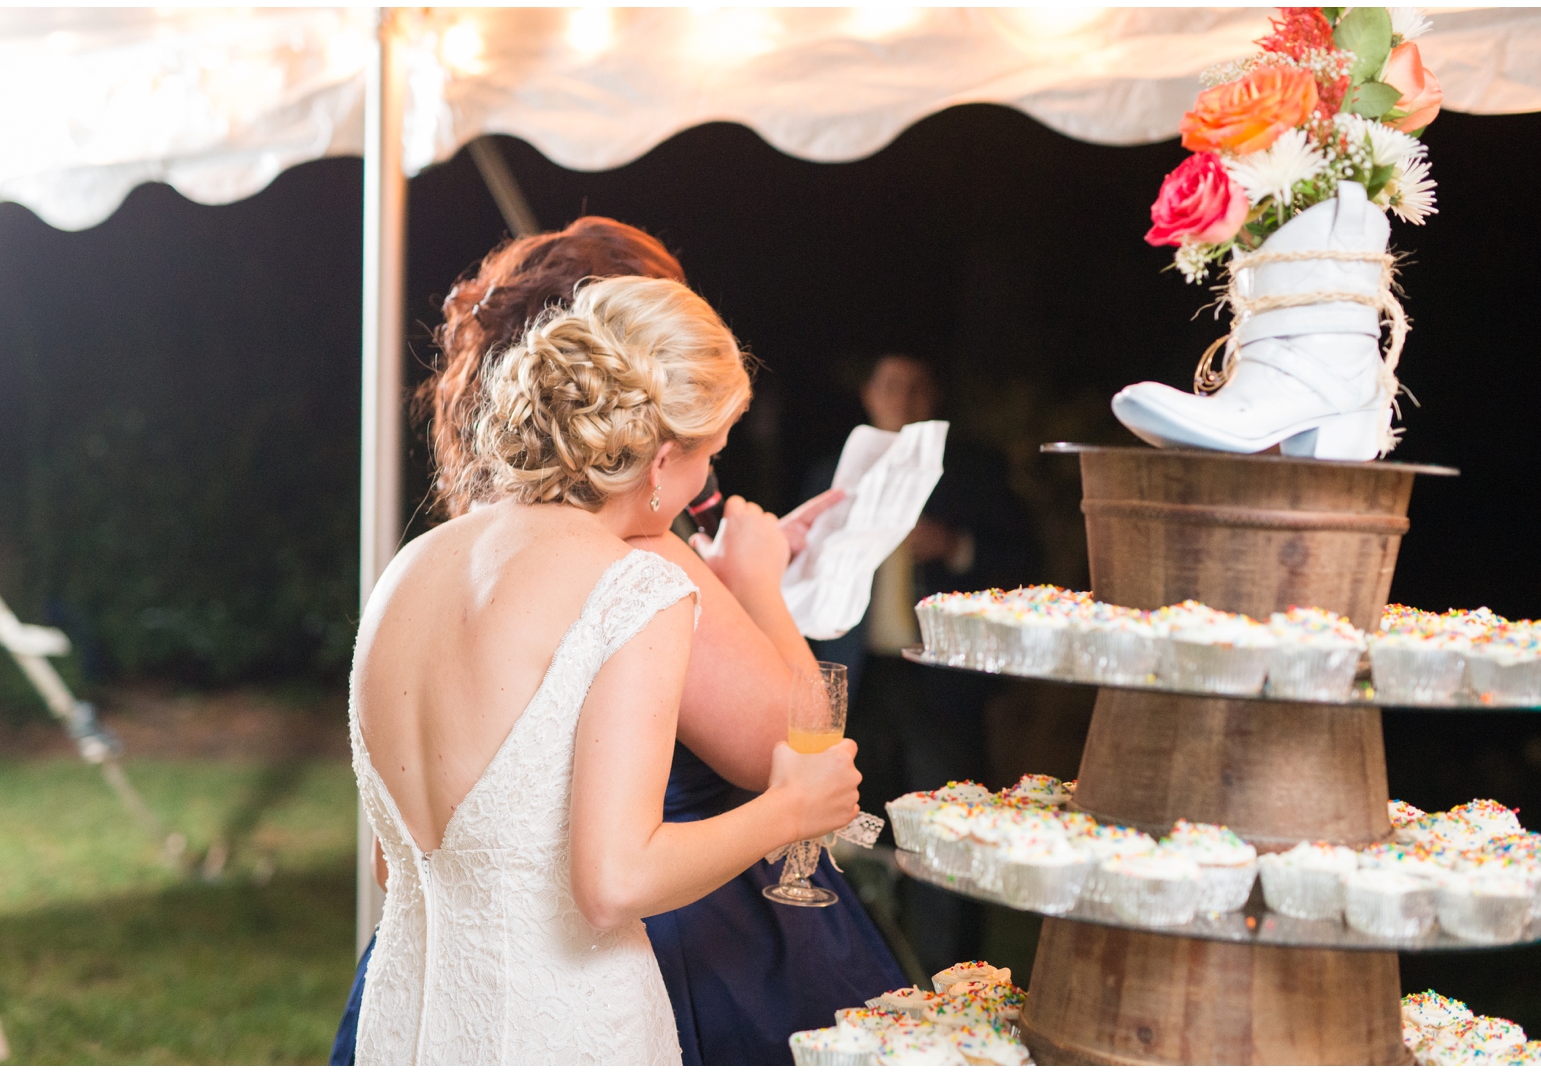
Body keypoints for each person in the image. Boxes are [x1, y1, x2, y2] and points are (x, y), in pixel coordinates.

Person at [332, 219, 906, 1065]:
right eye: (709, 455)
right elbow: (613, 882)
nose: (705, 485)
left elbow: (396, 864)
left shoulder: (410, 569)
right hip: (570, 1029)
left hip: (408, 1026)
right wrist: (789, 810)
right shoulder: (634, 585)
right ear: (661, 460)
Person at [804, 353, 1037, 972]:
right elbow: (802, 573)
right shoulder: (836, 473)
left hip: (938, 678)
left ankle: (948, 978)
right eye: (889, 386)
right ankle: (865, 967)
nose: (902, 400)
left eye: (916, 387)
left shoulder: (970, 471)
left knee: (944, 825)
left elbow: (1021, 557)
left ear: (933, 396)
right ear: (868, 394)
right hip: (856, 677)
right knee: (855, 828)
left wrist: (956, 545)